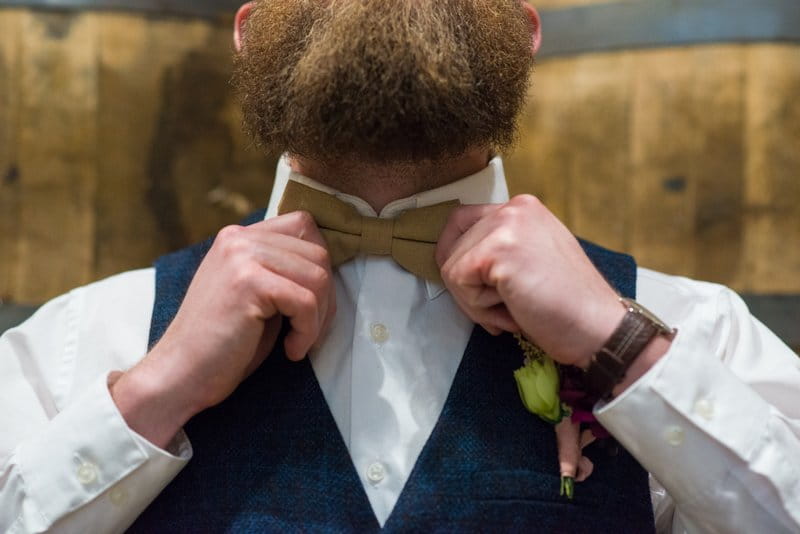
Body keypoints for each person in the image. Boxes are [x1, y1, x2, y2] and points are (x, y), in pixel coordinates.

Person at [1, 0, 798, 532]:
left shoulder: (697, 331)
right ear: (247, 32)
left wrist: (624, 348)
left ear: (524, 33)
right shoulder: (83, 341)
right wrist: (151, 396)